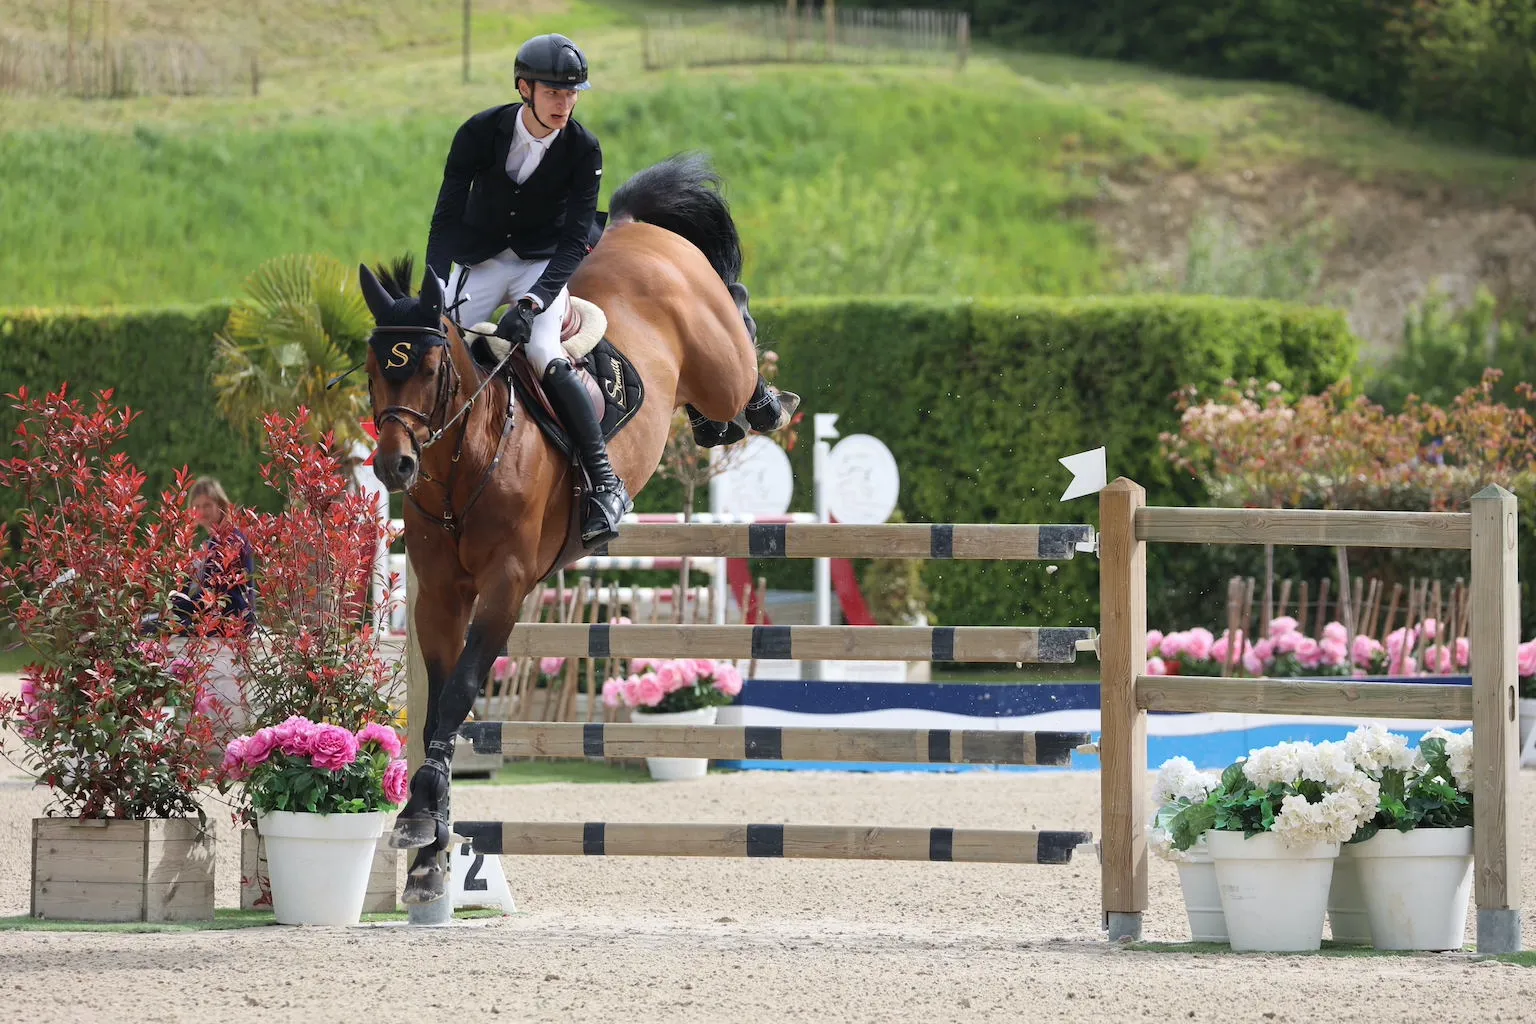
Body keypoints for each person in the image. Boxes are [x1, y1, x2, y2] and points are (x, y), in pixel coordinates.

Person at [424, 32, 630, 547]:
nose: (566, 103)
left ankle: (604, 480)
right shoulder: (478, 133)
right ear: (525, 89)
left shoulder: (584, 149)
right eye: (555, 93)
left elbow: (572, 240)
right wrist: (432, 285)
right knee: (436, 341)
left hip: (542, 263)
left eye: (573, 93)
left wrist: (536, 300)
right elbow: (446, 214)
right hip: (484, 259)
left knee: (542, 349)